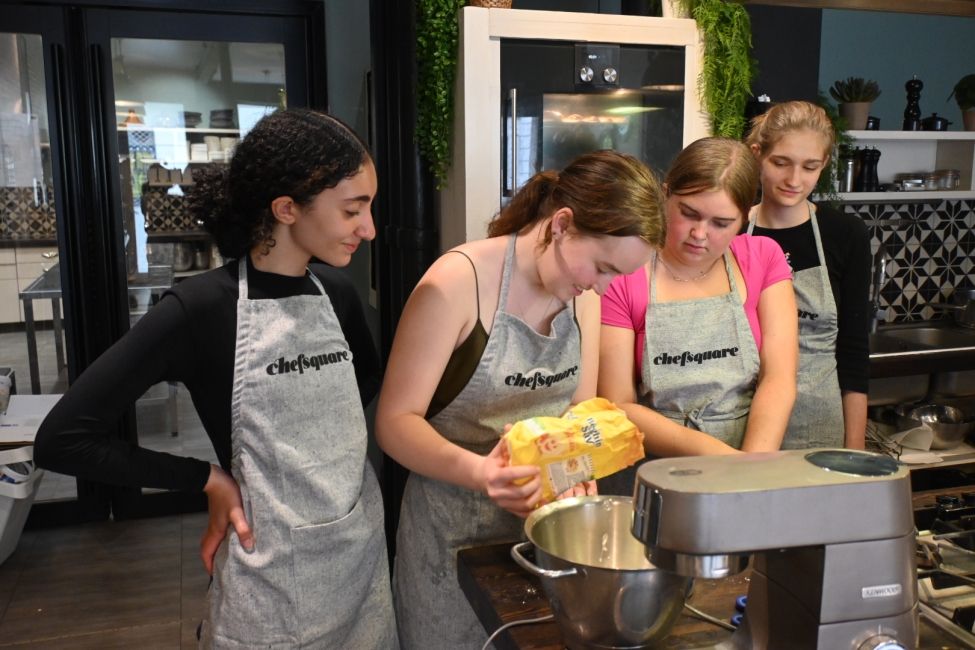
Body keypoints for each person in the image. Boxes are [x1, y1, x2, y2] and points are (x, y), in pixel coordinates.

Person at [33, 109, 398, 648]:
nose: (368, 228)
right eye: (353, 210)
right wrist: (209, 479)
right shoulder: (200, 309)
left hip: (361, 567)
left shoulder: (337, 296)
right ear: (286, 208)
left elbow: (362, 388)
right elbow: (64, 439)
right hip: (269, 590)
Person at [374, 150, 665, 649]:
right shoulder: (457, 284)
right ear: (562, 224)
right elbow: (395, 422)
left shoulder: (583, 296)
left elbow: (578, 411)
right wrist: (483, 474)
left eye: (618, 276)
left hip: (543, 544)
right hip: (449, 542)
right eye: (601, 267)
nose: (602, 286)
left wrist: (579, 469)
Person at [597, 137, 798, 495]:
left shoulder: (763, 258)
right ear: (665, 195)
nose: (699, 234)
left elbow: (778, 378)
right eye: (688, 213)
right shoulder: (626, 271)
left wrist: (751, 466)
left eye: (721, 223)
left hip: (748, 463)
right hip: (651, 477)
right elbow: (618, 403)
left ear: (745, 218)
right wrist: (721, 459)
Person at [746, 100, 871, 450]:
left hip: (819, 425)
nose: (794, 180)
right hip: (742, 424)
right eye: (780, 163)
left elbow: (853, 350)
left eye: (810, 167)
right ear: (758, 154)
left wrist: (854, 448)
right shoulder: (734, 230)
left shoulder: (846, 234)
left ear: (825, 165)